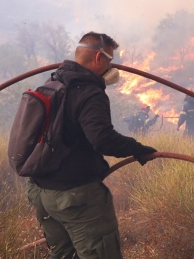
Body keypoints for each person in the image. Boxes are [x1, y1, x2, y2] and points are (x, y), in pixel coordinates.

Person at [25, 32, 157, 258]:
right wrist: (138, 149)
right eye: (110, 60)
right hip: (76, 197)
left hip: (42, 192)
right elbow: (102, 138)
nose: (111, 66)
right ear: (98, 58)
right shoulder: (89, 91)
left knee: (63, 254)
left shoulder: (53, 82)